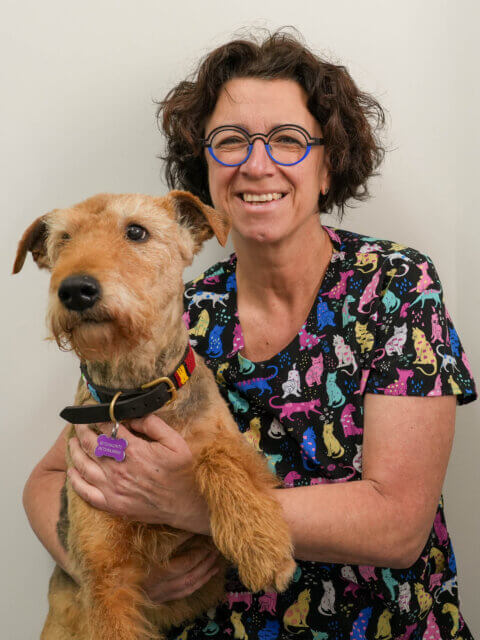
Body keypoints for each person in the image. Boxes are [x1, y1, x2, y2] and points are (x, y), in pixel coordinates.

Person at [24, 31, 477, 639]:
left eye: (287, 139)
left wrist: (190, 504)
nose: (256, 164)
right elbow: (53, 478)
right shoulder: (177, 312)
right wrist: (110, 575)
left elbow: (398, 527)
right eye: (230, 141)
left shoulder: (394, 284)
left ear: (328, 166)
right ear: (206, 169)